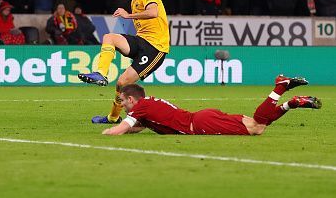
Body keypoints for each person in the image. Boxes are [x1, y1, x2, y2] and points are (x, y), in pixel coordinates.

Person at [78, 0, 170, 125]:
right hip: (142, 40)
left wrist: (128, 16)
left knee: (122, 83)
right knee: (109, 37)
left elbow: (153, 12)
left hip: (155, 49)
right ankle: (101, 73)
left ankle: (115, 117)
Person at [102, 76, 321, 136]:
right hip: (202, 118)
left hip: (198, 125)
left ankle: (280, 87)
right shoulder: (147, 107)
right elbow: (138, 126)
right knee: (260, 125)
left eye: (122, 102)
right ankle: (290, 104)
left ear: (132, 100)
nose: (122, 106)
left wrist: (111, 130)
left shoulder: (141, 107)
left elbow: (125, 126)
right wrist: (129, 129)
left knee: (256, 127)